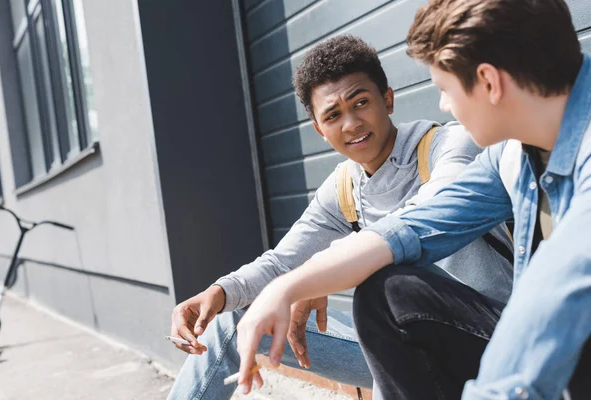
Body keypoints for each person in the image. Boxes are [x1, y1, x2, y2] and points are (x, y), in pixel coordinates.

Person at [235, 1, 591, 399]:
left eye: (444, 89)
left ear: (489, 82)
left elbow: (555, 306)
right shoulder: (511, 156)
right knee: (389, 291)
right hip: (542, 341)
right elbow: (411, 227)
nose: (442, 106)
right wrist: (288, 287)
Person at [166, 35, 513, 400]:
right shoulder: (345, 187)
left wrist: (314, 276)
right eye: (332, 115)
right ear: (319, 129)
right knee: (229, 319)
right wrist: (218, 292)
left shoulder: (448, 146)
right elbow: (281, 261)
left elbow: (418, 223)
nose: (350, 123)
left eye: (361, 102)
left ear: (388, 99)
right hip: (404, 340)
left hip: (490, 337)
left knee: (387, 286)